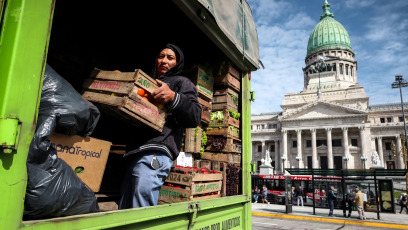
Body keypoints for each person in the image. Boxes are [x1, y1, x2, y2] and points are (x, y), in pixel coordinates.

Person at [119, 44, 201, 209]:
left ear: (177, 63)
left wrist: (173, 96)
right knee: (125, 209)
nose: (164, 61)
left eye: (170, 58)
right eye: (161, 56)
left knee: (140, 209)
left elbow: (195, 115)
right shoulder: (146, 82)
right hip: (135, 152)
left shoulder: (181, 82)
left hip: (156, 152)